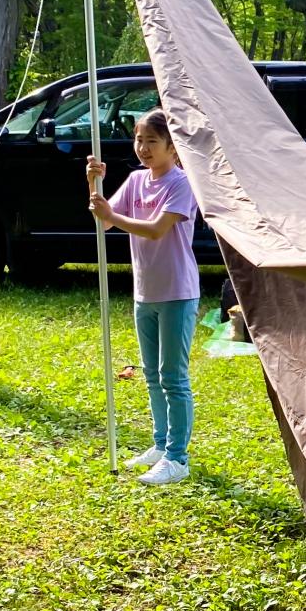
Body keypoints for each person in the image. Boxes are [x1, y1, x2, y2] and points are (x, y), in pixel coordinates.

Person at [86, 108, 200, 487]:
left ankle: (177, 458)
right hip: (145, 291)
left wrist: (114, 217)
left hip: (177, 292)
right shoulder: (136, 180)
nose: (144, 148)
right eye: (139, 140)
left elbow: (155, 230)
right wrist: (93, 184)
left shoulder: (181, 184)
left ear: (171, 146)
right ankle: (160, 444)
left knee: (173, 377)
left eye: (152, 141)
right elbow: (103, 219)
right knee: (152, 376)